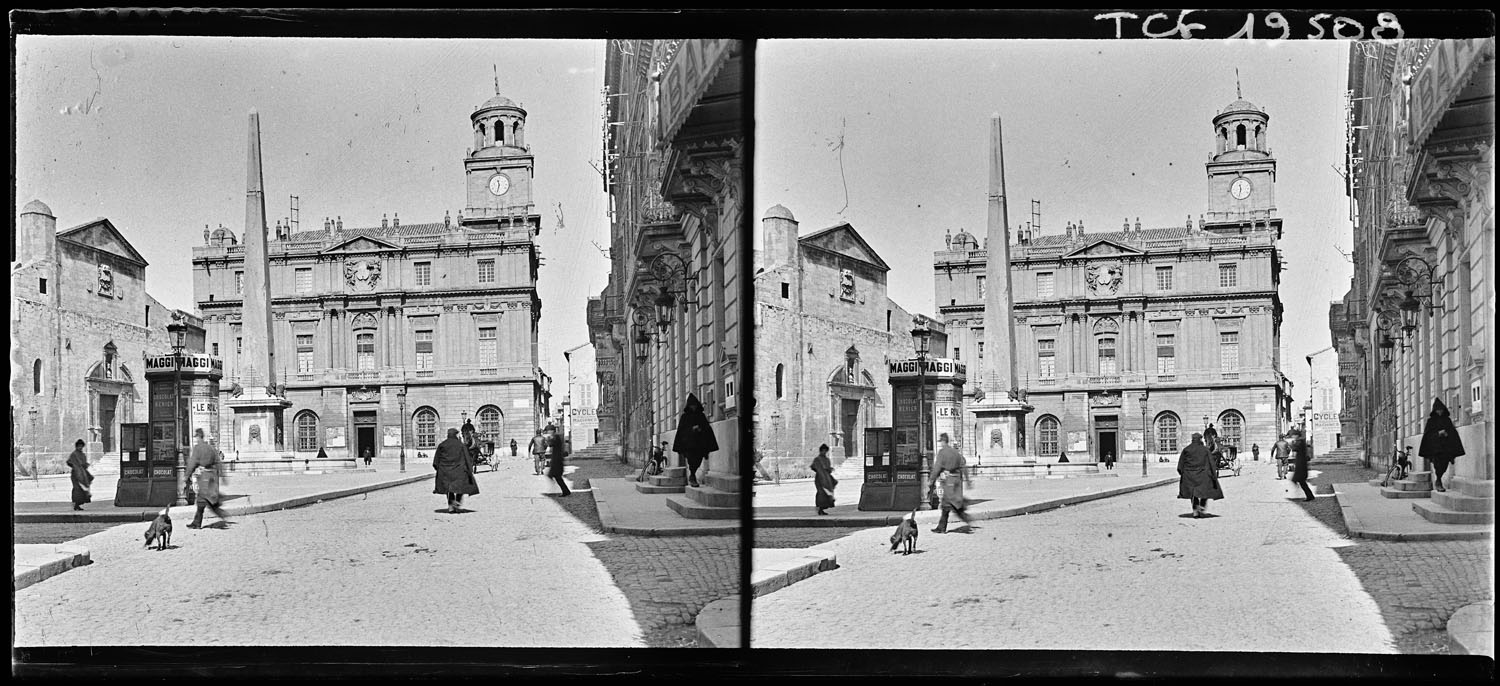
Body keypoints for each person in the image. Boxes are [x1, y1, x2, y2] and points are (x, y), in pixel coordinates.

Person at [671, 394, 719, 489]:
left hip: (700, 444)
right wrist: (691, 430)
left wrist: (700, 429)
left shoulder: (701, 416)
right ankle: (692, 477)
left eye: (694, 405)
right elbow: (681, 430)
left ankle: (692, 475)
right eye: (691, 405)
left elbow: (707, 428)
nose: (693, 407)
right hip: (689, 444)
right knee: (691, 460)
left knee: (698, 460)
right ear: (688, 406)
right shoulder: (685, 417)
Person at [186, 429, 231, 528]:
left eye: (196, 437)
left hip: (204, 476)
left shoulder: (198, 448)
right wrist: (223, 477)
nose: (196, 439)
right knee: (206, 498)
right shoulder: (211, 448)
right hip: (212, 476)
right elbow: (218, 462)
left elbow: (192, 462)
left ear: (198, 437)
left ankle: (219, 514)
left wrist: (187, 475)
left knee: (203, 499)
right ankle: (197, 522)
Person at [929, 433, 974, 533]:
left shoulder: (942, 452)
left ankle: (965, 518)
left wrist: (931, 480)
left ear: (943, 441)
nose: (941, 443)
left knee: (949, 504)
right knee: (949, 503)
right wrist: (968, 481)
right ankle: (941, 527)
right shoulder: (955, 452)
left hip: (949, 481)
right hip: (957, 480)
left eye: (941, 441)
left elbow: (937, 467)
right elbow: (963, 466)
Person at [1418, 398, 1465, 492]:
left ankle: (1438, 480)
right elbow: (1428, 435)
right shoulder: (1431, 421)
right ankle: (1438, 482)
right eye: (1438, 410)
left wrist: (1447, 434)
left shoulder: (1447, 420)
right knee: (1438, 465)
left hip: (1446, 448)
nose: (1439, 412)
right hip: (1435, 449)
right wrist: (1438, 433)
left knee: (1444, 465)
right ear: (1434, 410)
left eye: (1441, 410)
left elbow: (1452, 432)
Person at [1177, 432, 1224, 518]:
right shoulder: (1205, 450)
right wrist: (1214, 474)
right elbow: (1211, 463)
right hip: (1203, 474)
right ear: (1200, 439)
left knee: (1193, 493)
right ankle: (1202, 505)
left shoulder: (1186, 449)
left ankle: (1195, 510)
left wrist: (1182, 474)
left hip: (1189, 475)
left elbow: (1180, 465)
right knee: (1205, 491)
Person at [433, 427, 479, 513]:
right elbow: (467, 458)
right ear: (455, 435)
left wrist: (438, 469)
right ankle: (457, 502)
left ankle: (451, 506)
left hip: (445, 471)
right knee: (461, 487)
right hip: (459, 470)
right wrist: (470, 469)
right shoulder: (461, 445)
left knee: (448, 489)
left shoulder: (442, 445)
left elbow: (436, 460)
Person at [66, 439, 92, 511]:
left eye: (81, 446)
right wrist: (75, 466)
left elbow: (83, 463)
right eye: (79, 446)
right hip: (75, 474)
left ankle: (78, 504)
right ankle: (76, 504)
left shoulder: (82, 455)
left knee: (82, 489)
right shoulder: (74, 454)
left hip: (82, 473)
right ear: (76, 446)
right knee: (77, 489)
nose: (80, 447)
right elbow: (69, 462)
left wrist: (84, 466)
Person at [810, 444, 837, 515]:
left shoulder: (827, 459)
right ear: (821, 451)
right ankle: (820, 508)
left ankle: (822, 508)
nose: (824, 452)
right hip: (819, 478)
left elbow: (828, 468)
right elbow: (813, 467)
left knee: (827, 493)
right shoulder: (817, 459)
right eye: (823, 451)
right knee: (821, 493)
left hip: (826, 478)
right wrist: (820, 470)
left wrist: (829, 469)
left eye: (825, 451)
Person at [545, 423, 571, 496]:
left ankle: (565, 491)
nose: (547, 432)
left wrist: (548, 439)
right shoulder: (555, 437)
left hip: (557, 460)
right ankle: (565, 491)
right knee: (556, 476)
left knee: (556, 476)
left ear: (552, 431)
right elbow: (551, 444)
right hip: (556, 459)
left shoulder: (556, 437)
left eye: (548, 431)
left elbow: (551, 444)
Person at [1288, 429, 1314, 502]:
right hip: (1301, 462)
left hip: (1301, 463)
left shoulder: (1300, 441)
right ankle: (1310, 496)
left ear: (1296, 435)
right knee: (1301, 481)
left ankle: (1310, 496)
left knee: (1301, 481)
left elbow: (1295, 448)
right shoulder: (1301, 441)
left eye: (1293, 435)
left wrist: (1291, 444)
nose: (1292, 436)